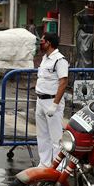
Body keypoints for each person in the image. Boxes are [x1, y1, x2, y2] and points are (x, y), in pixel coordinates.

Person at [35, 33, 69, 168]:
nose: (40, 43)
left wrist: (55, 104)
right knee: (42, 135)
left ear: (49, 43)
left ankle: (58, 166)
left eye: (42, 41)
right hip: (40, 100)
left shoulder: (59, 60)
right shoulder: (45, 58)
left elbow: (63, 82)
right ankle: (44, 163)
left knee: (56, 137)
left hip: (51, 101)